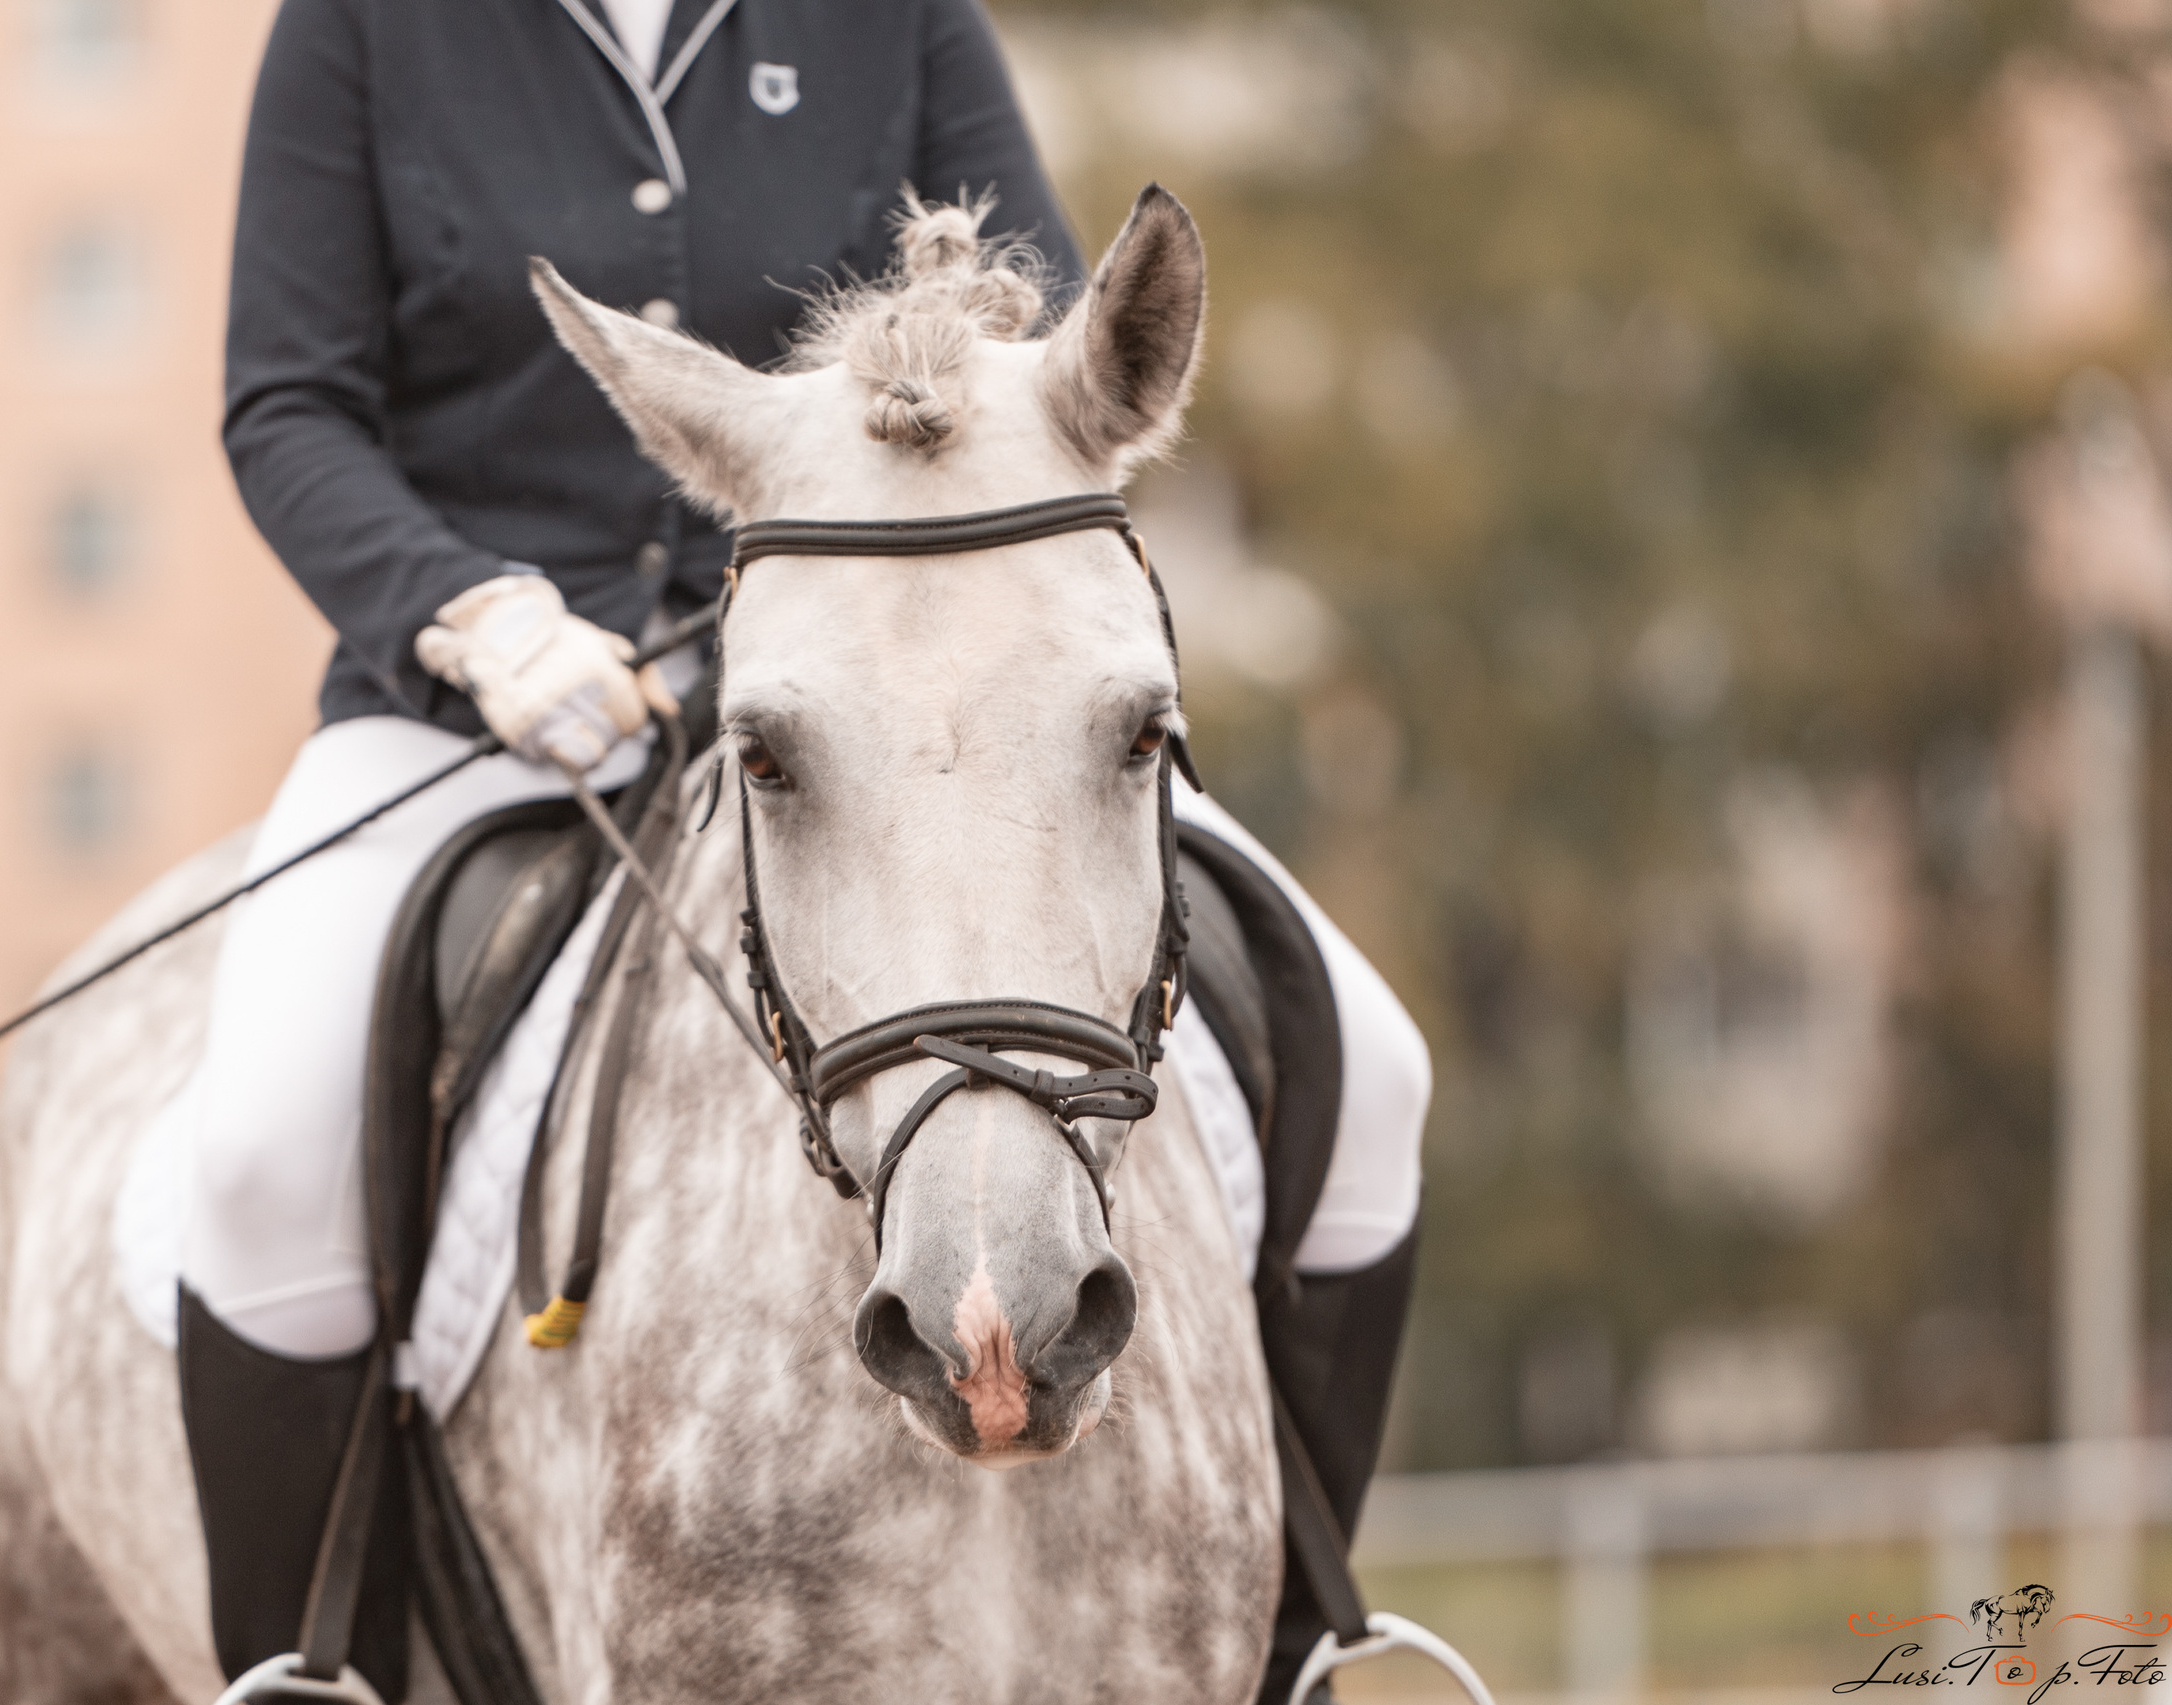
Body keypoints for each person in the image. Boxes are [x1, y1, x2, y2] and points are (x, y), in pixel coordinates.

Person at [165, 1, 1432, 1700]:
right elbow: (289, 408)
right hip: (477, 697)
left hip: (911, 688)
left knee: (1385, 1073)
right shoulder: (367, 27)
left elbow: (1044, 351)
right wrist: (468, 613)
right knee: (259, 1145)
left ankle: (1293, 1645)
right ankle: (302, 1672)